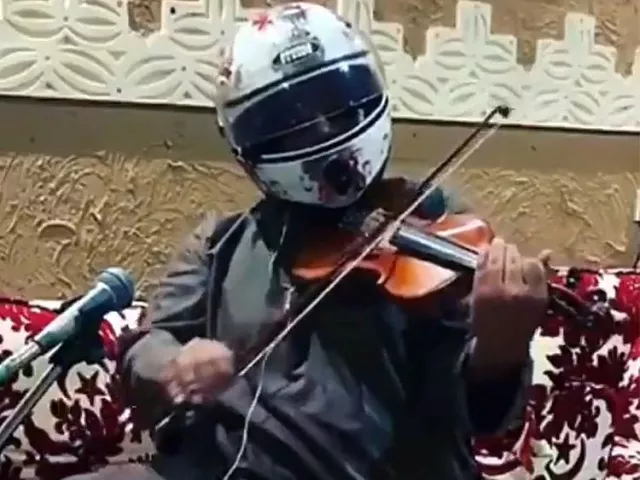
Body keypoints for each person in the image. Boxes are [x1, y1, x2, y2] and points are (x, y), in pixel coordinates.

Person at [65, 3, 549, 479]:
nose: (323, 132)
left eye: (339, 111)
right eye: (292, 127)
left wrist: (501, 346)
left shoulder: (435, 223)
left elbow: (483, 416)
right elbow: (143, 347)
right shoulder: (219, 243)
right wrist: (173, 365)